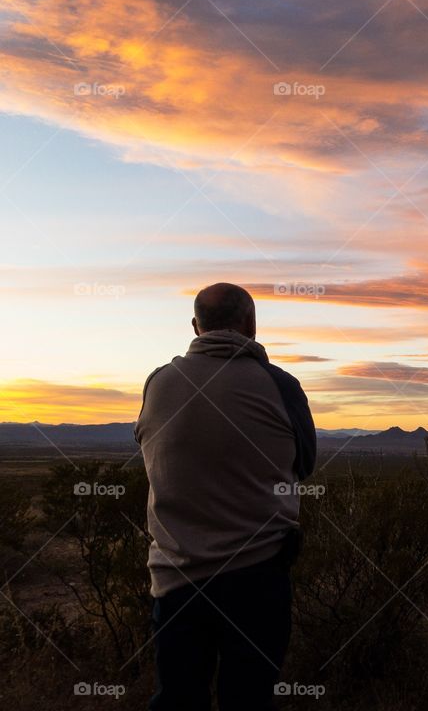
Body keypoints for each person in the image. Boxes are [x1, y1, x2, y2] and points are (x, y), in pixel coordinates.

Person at [135, 282, 316, 711]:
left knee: (178, 698)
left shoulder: (158, 383)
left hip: (176, 576)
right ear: (251, 324)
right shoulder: (280, 385)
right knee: (248, 699)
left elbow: (150, 449)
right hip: (257, 574)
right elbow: (304, 464)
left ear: (196, 327)